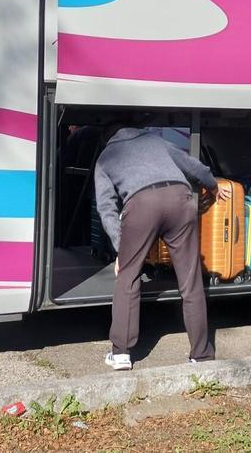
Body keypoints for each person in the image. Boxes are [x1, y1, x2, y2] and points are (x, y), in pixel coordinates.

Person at [93, 125, 228, 370]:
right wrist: (213, 185)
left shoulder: (105, 157)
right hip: (180, 199)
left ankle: (121, 353)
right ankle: (201, 355)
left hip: (142, 205)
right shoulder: (155, 140)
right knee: (190, 280)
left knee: (128, 276)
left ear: (108, 138)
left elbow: (106, 208)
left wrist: (120, 248)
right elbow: (194, 167)